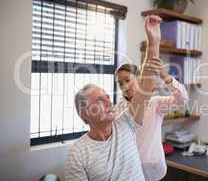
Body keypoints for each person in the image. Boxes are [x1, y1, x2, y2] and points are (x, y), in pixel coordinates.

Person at [64, 15, 162, 181]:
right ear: (84, 114)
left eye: (107, 97)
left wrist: (153, 42)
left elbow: (146, 84)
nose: (109, 102)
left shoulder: (125, 124)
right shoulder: (77, 153)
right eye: (99, 100)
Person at [115, 52, 189, 180]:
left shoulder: (155, 103)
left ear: (139, 78)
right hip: (127, 172)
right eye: (120, 83)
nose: (125, 86)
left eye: (127, 80)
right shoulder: (118, 110)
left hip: (153, 171)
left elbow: (182, 100)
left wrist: (165, 76)